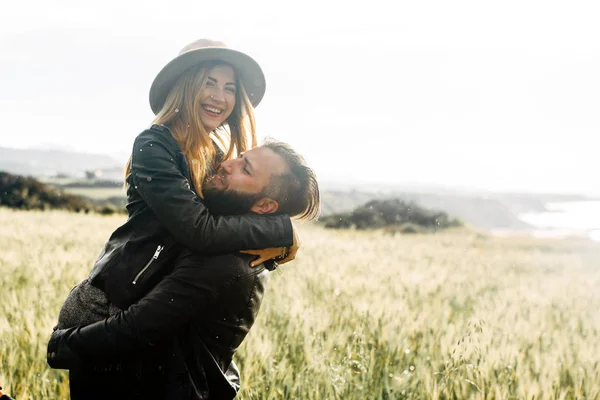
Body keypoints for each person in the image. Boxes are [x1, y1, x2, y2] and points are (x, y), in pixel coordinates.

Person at [55, 38, 301, 333]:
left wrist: (282, 235)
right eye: (209, 83)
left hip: (147, 304)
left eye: (229, 88)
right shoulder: (154, 144)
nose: (219, 97)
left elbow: (230, 221)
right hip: (105, 306)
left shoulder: (214, 155)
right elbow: (199, 230)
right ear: (185, 85)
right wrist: (282, 229)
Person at [48, 140, 321, 399]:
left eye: (245, 168)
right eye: (240, 157)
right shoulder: (230, 234)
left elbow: (138, 326)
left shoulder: (221, 260)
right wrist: (283, 231)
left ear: (264, 206)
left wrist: (59, 348)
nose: (228, 163)